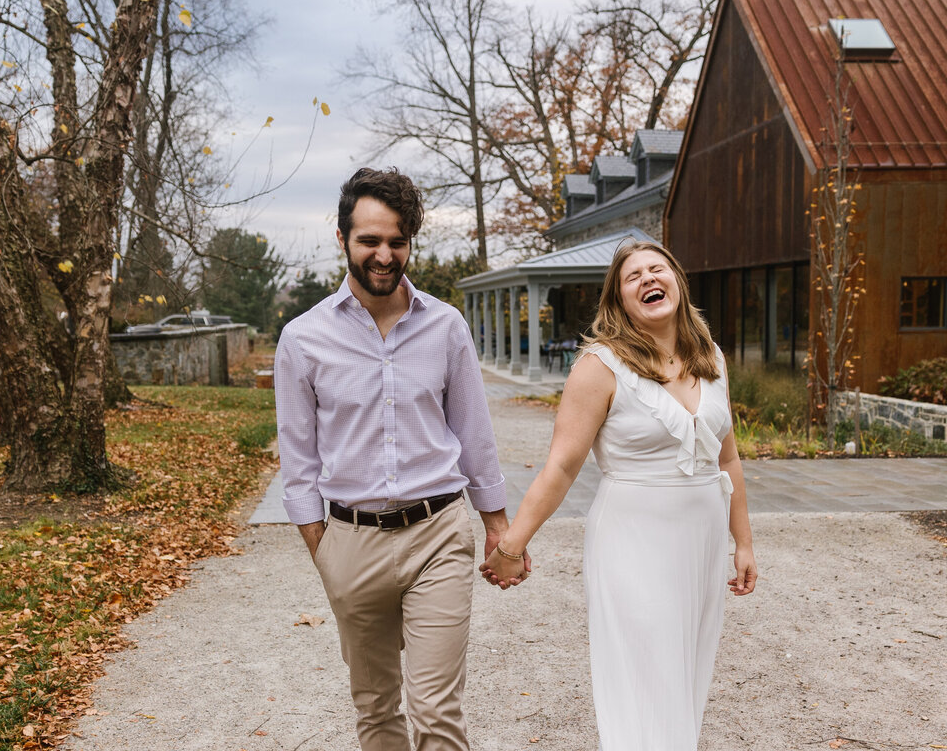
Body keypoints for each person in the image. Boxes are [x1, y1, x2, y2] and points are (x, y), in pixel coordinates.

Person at [275, 167, 523, 751]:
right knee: (377, 710)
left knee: (437, 710)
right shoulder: (302, 339)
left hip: (437, 533)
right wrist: (325, 549)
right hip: (351, 540)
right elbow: (299, 461)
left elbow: (473, 432)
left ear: (409, 241)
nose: (384, 255)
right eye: (370, 241)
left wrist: (498, 527)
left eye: (397, 241)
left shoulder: (445, 326)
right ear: (343, 240)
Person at [481, 240, 757, 750]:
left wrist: (743, 541)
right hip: (632, 539)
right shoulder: (600, 366)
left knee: (685, 672)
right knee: (646, 671)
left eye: (659, 269)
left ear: (677, 281)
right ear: (619, 300)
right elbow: (562, 466)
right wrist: (511, 545)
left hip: (701, 540)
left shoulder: (710, 356)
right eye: (634, 277)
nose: (649, 279)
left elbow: (727, 459)